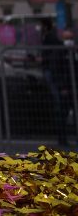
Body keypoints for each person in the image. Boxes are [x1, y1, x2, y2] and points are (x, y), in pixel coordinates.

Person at [41, 19, 72, 147]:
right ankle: (62, 138)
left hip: (65, 81)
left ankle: (63, 137)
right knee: (61, 108)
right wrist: (63, 85)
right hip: (63, 82)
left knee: (63, 108)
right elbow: (57, 66)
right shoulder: (59, 46)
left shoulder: (60, 44)